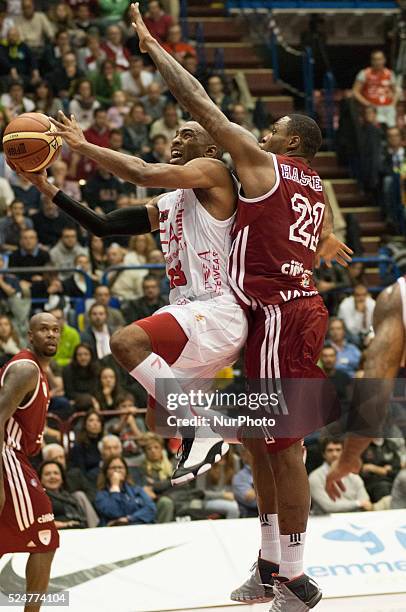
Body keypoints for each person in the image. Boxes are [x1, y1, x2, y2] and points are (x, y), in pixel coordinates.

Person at [129, 5, 353, 608]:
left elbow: (202, 104)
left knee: (284, 450)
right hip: (273, 312)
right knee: (260, 444)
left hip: (283, 315)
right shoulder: (309, 185)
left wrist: (155, 48)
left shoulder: (266, 166)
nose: (264, 131)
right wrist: (322, 244)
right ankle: (268, 565)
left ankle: (297, 580)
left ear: (292, 143)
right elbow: (301, 235)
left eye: (274, 128)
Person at [21, 112, 249, 486]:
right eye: (174, 133)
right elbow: (104, 226)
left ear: (211, 148)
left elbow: (141, 172)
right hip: (192, 314)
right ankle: (260, 435)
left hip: (217, 308)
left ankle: (200, 432)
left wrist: (82, 145)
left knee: (126, 341)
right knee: (157, 421)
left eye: (186, 134)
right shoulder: (172, 201)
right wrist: (47, 188)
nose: (176, 140)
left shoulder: (214, 173)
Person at [0, 313, 60, 612]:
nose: (51, 334)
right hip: (7, 455)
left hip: (18, 455)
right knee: (45, 536)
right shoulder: (26, 368)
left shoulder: (37, 371)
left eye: (55, 330)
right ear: (29, 335)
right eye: (43, 329)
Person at [309, 438, 371, 515]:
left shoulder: (353, 475)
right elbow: (328, 506)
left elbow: (366, 500)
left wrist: (360, 503)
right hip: (325, 523)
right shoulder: (315, 477)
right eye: (330, 450)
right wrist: (357, 503)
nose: (334, 454)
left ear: (344, 453)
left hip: (354, 519)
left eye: (338, 450)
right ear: (323, 454)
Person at [95, 455, 156, 526]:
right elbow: (114, 512)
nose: (117, 470)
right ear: (106, 473)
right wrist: (115, 487)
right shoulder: (101, 495)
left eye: (120, 467)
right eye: (113, 468)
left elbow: (151, 508)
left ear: (126, 471)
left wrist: (129, 518)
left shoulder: (136, 489)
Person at [352, 49, 397, 127]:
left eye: (380, 59)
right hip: (372, 108)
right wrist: (368, 104)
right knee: (375, 129)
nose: (378, 62)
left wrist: (393, 104)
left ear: (384, 60)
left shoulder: (390, 74)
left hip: (388, 107)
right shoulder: (364, 73)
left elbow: (396, 91)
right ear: (371, 61)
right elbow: (355, 91)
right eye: (375, 59)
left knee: (391, 129)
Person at [39, 461, 88, 529]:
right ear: (40, 479)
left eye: (56, 473)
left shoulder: (70, 497)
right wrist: (65, 524)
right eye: (47, 474)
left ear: (62, 478)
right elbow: (39, 522)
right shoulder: (39, 498)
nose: (52, 477)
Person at [69, 410, 103, 482]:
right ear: (85, 424)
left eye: (98, 421)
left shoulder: (105, 442)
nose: (95, 423)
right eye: (91, 420)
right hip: (88, 481)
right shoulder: (79, 446)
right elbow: (81, 473)